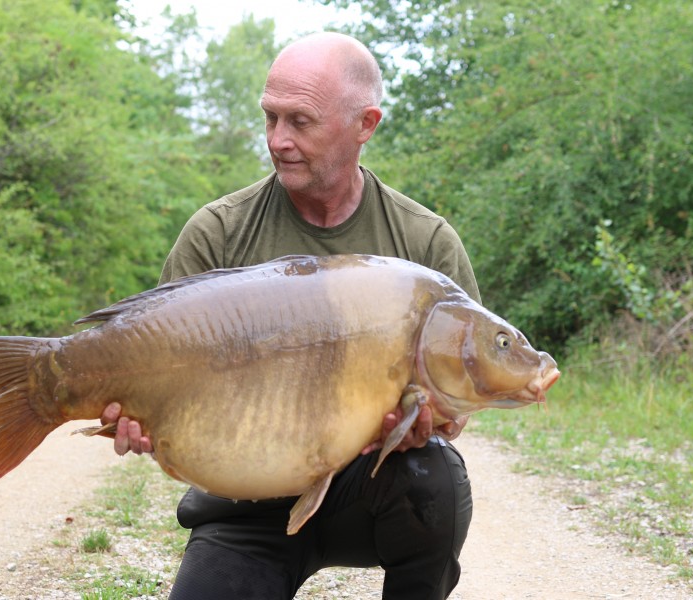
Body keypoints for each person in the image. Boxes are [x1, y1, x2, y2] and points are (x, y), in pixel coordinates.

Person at [101, 32, 479, 600]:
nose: (278, 141)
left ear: (365, 124)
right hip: (244, 507)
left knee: (437, 477)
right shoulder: (218, 233)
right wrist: (141, 419)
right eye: (270, 118)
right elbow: (158, 375)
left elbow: (454, 407)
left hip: (370, 492)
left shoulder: (424, 243)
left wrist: (422, 428)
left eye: (299, 122)